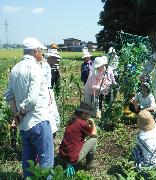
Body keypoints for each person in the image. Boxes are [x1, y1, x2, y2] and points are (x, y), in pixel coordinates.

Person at [4, 37, 54, 178]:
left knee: (28, 160)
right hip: (39, 120)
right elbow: (32, 100)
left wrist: (16, 114)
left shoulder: (15, 68)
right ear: (34, 51)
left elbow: (9, 95)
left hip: (24, 125)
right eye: (40, 52)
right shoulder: (35, 69)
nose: (41, 55)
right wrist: (21, 112)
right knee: (46, 160)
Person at [58, 102, 97, 176]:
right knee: (93, 140)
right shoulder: (82, 123)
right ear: (84, 113)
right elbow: (94, 134)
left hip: (62, 155)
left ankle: (65, 163)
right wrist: (92, 123)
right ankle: (88, 165)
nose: (90, 116)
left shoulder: (72, 120)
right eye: (89, 114)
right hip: (71, 158)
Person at [41, 53, 60, 139]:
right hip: (46, 92)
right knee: (52, 115)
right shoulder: (45, 66)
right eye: (55, 58)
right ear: (51, 58)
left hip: (49, 91)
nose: (57, 60)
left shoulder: (49, 66)